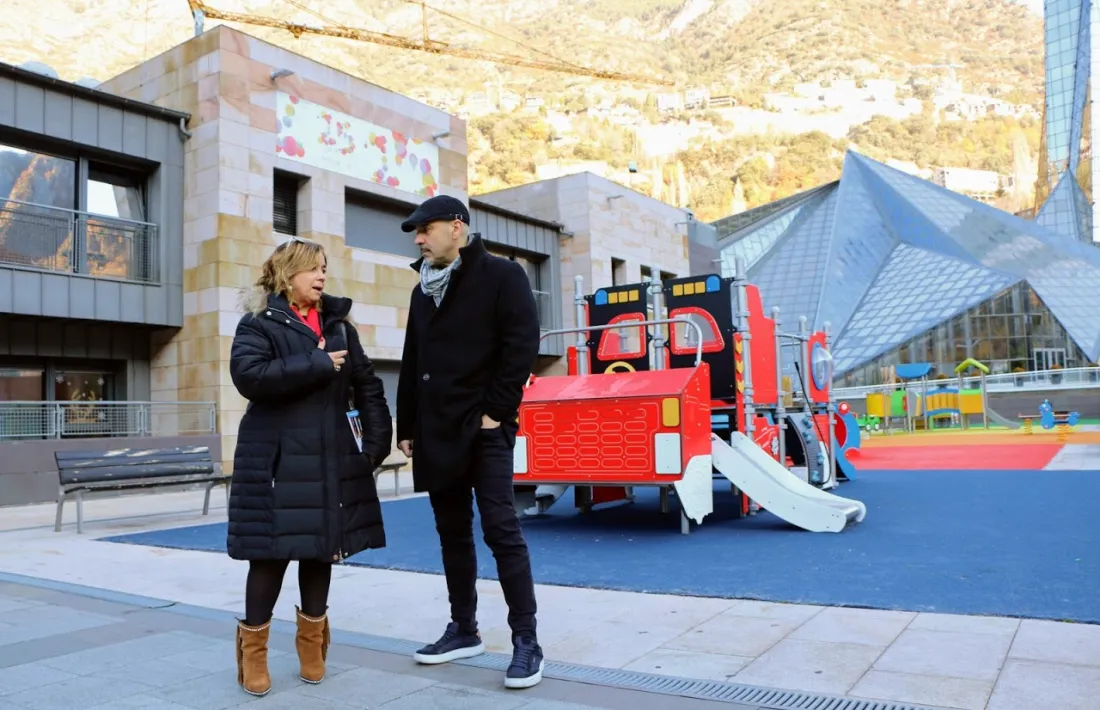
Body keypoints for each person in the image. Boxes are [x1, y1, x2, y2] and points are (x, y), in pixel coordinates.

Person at [227, 237, 392, 697]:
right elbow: (249, 378)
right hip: (276, 461)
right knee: (270, 555)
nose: (322, 276)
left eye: (324, 269)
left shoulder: (340, 326)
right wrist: (315, 363)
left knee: (322, 551)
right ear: (287, 274)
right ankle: (253, 652)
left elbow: (368, 386)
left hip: (331, 458)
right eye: (313, 269)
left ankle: (311, 646)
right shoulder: (257, 323)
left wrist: (375, 447)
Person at [395, 195, 544, 689]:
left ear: (456, 227)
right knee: (452, 533)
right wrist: (408, 426)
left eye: (425, 229)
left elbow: (521, 344)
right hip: (436, 430)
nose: (418, 238)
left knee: (501, 529)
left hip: (483, 430)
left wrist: (495, 413)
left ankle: (527, 639)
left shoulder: (503, 275)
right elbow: (413, 357)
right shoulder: (422, 289)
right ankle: (464, 629)